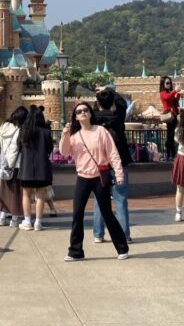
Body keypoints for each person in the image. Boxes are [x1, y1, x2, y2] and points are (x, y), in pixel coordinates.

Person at [59, 103, 129, 262]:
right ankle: (75, 251)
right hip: (82, 177)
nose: (82, 113)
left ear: (90, 113)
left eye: (85, 110)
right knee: (77, 214)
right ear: (76, 117)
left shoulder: (100, 131)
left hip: (99, 177)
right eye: (79, 111)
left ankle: (122, 247)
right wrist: (65, 135)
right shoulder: (75, 136)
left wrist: (119, 173)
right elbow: (64, 152)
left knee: (107, 213)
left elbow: (112, 153)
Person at [92, 86, 133, 244]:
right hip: (119, 161)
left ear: (98, 103)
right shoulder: (118, 116)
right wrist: (109, 89)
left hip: (100, 163)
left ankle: (98, 233)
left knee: (99, 199)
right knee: (120, 199)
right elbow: (122, 102)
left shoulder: (94, 119)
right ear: (112, 103)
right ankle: (124, 235)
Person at [18, 106, 54, 231]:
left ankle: (27, 221)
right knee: (40, 196)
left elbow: (19, 147)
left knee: (26, 195)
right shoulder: (45, 132)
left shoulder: (23, 131)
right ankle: (38, 222)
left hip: (26, 168)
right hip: (42, 168)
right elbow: (50, 148)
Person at [0, 107, 27, 227]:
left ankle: (1, 218)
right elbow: (15, 148)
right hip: (15, 164)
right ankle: (14, 219)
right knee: (16, 192)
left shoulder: (4, 127)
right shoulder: (19, 130)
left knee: (5, 191)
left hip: (4, 163)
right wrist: (12, 163)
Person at [159, 77, 181, 161]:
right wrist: (175, 90)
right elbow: (167, 97)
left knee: (172, 135)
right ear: (163, 84)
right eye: (167, 83)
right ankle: (170, 153)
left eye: (170, 83)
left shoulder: (170, 92)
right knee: (170, 135)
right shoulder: (163, 93)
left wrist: (178, 93)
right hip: (169, 116)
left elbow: (175, 101)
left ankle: (171, 154)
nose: (169, 85)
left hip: (174, 115)